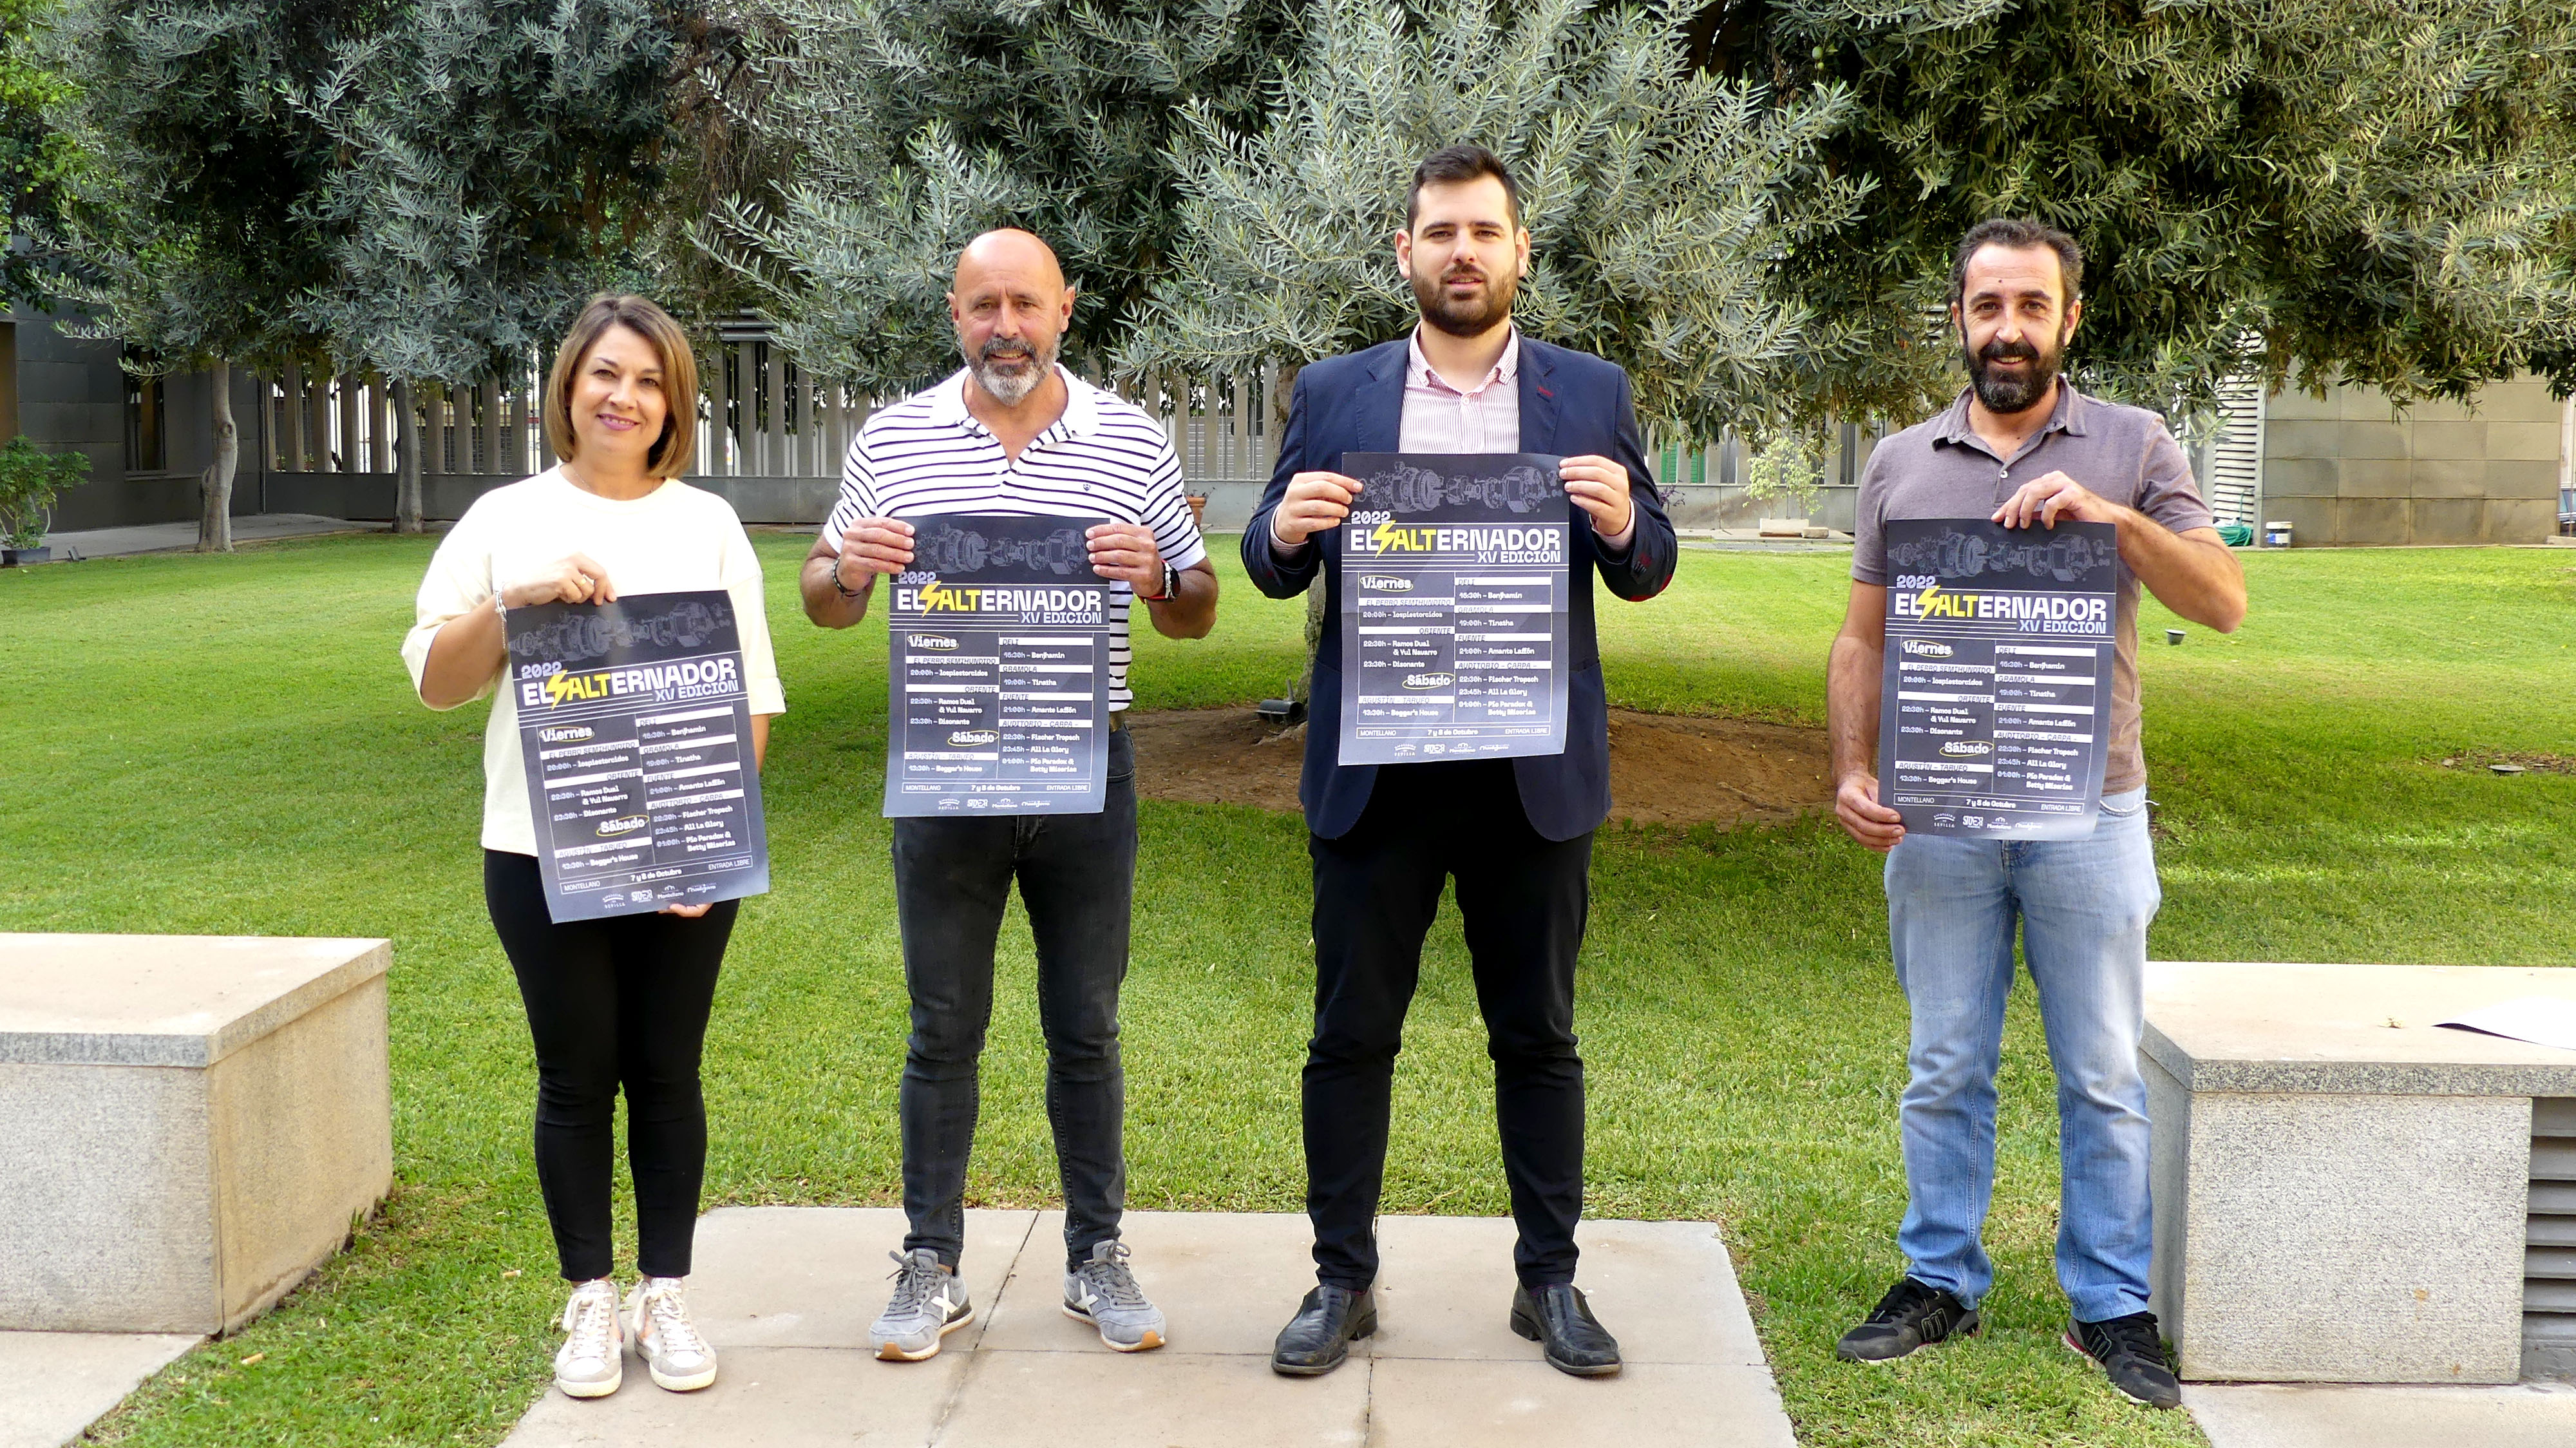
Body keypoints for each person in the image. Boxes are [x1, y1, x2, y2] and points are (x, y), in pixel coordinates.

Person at [1242, 144, 1677, 1379]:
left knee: (1538, 1037)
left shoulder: (1589, 392)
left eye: (1485, 232)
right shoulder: (1337, 392)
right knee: (1350, 1036)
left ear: (1520, 250)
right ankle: (1342, 1281)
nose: (1463, 253)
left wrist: (1621, 522)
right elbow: (1268, 557)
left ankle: (1550, 1284)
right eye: (1440, 233)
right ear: (1406, 252)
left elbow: (1650, 565)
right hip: (1379, 776)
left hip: (1529, 778)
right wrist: (1284, 530)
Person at [1824, 219, 2248, 1409]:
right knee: (1943, 1061)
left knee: (2102, 1068)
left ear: (2070, 318)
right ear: (1960, 319)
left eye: (2030, 306)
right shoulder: (1901, 461)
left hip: (2091, 811)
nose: (2007, 329)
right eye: (1987, 306)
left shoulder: (2134, 442)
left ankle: (2110, 1305)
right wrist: (1851, 770)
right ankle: (1939, 1279)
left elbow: (2223, 602)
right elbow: (1861, 639)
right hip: (1940, 812)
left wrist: (2115, 519)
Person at [802, 229, 1217, 1362]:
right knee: (943, 1028)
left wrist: (1162, 577)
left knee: (1087, 1025)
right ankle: (929, 1265)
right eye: (984, 305)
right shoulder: (894, 438)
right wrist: (847, 570)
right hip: (946, 773)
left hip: (1086, 769)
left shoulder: (1131, 439)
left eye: (1026, 304)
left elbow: (1197, 606)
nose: (1006, 327)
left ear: (1064, 310)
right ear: (955, 314)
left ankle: (1097, 1256)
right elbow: (822, 598)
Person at [403, 296, 785, 1399]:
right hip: (540, 852)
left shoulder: (709, 524)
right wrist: (513, 605)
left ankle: (665, 1294)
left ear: (676, 403)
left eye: (651, 381)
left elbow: (751, 698)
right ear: (569, 385)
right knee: (575, 1077)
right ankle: (589, 1299)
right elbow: (437, 684)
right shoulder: (503, 518)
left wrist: (705, 850)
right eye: (607, 374)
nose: (626, 397)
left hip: (683, 857)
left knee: (666, 1073)